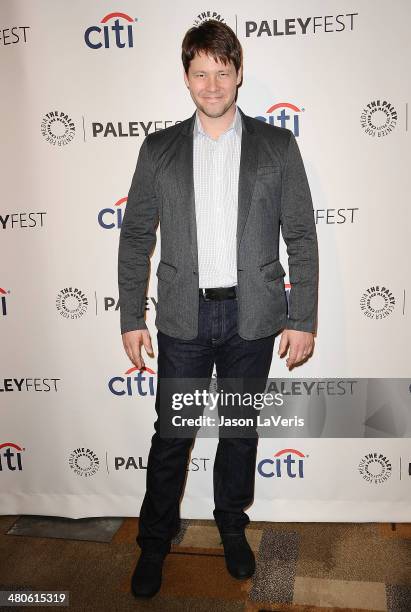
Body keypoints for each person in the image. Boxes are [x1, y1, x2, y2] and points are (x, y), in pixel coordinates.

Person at [118, 19, 319, 599]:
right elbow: (135, 237)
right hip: (183, 319)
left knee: (238, 432)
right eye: (200, 73)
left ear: (238, 76)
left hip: (252, 318)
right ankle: (155, 539)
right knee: (172, 435)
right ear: (186, 78)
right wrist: (132, 316)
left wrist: (301, 316)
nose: (211, 84)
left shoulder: (277, 146)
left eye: (222, 73)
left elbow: (301, 236)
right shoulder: (158, 150)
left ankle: (232, 525)